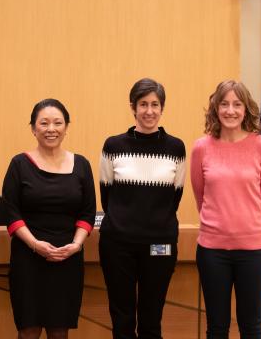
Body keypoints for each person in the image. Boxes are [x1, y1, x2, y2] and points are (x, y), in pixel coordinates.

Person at [98, 78, 186, 339]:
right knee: (122, 319)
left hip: (160, 244)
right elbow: (106, 193)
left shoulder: (176, 148)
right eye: (143, 104)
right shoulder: (113, 146)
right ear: (133, 107)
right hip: (118, 245)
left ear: (162, 108)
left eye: (155, 104)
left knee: (151, 319)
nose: (149, 111)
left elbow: (176, 196)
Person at [1, 99, 96, 339]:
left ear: (66, 127)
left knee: (59, 331)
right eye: (43, 123)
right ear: (33, 128)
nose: (50, 128)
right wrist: (35, 244)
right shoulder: (19, 164)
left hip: (68, 258)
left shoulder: (82, 165)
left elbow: (87, 213)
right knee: (28, 331)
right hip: (28, 258)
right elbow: (11, 214)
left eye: (57, 123)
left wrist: (76, 245)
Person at [190, 80, 261, 339]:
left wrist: (246, 226)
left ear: (246, 109)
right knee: (217, 327)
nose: (230, 110)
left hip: (254, 251)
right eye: (224, 104)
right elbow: (200, 195)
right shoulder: (201, 147)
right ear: (216, 109)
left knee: (251, 326)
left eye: (237, 104)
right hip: (212, 251)